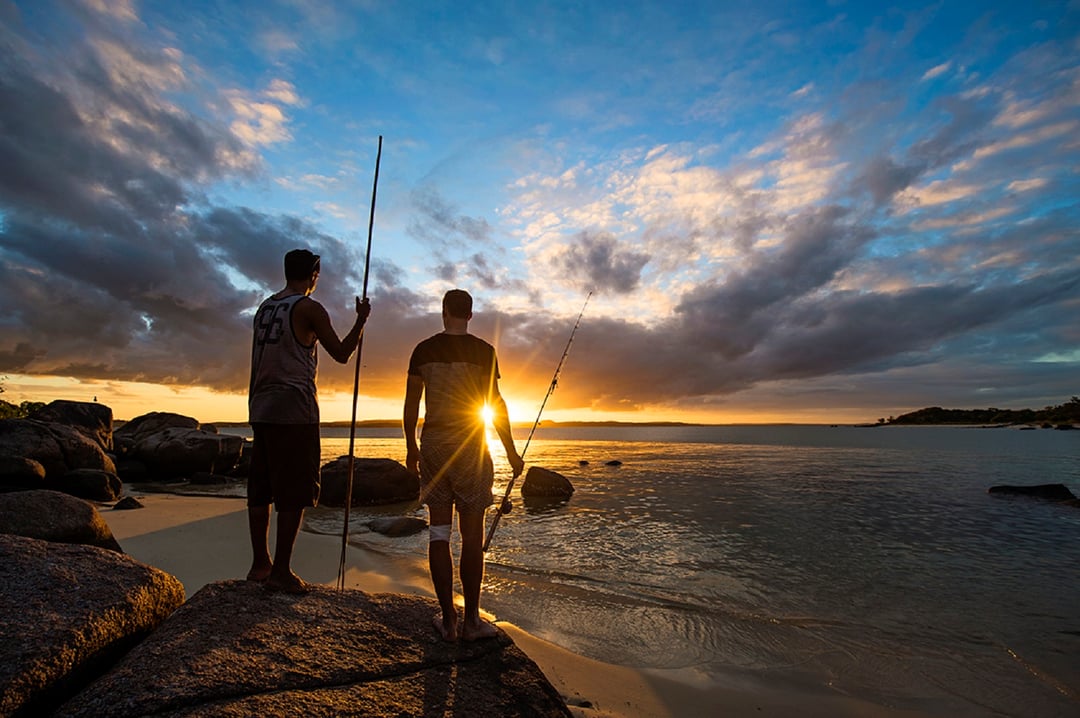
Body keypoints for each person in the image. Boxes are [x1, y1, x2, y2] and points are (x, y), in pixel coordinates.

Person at [247, 248, 371, 593]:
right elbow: (342, 353)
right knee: (295, 489)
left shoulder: (264, 307)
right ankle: (281, 570)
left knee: (261, 488)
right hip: (294, 408)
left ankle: (260, 563)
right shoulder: (308, 308)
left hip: (260, 404)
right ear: (314, 274)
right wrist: (361, 320)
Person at [403, 289, 524, 641]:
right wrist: (511, 451)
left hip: (434, 445)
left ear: (444, 312)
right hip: (471, 446)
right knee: (472, 537)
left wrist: (411, 447)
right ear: (470, 315)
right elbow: (495, 404)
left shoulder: (423, 350)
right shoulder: (485, 352)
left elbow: (411, 405)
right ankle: (472, 621)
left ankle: (448, 621)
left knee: (439, 533)